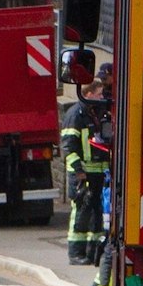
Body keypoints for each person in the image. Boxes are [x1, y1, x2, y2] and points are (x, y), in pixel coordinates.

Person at [61, 78, 112, 264]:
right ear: (88, 94)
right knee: (81, 211)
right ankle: (76, 253)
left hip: (99, 172)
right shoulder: (75, 115)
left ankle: (92, 253)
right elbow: (68, 147)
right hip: (82, 173)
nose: (101, 97)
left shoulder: (96, 113)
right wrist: (78, 171)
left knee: (98, 213)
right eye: (98, 94)